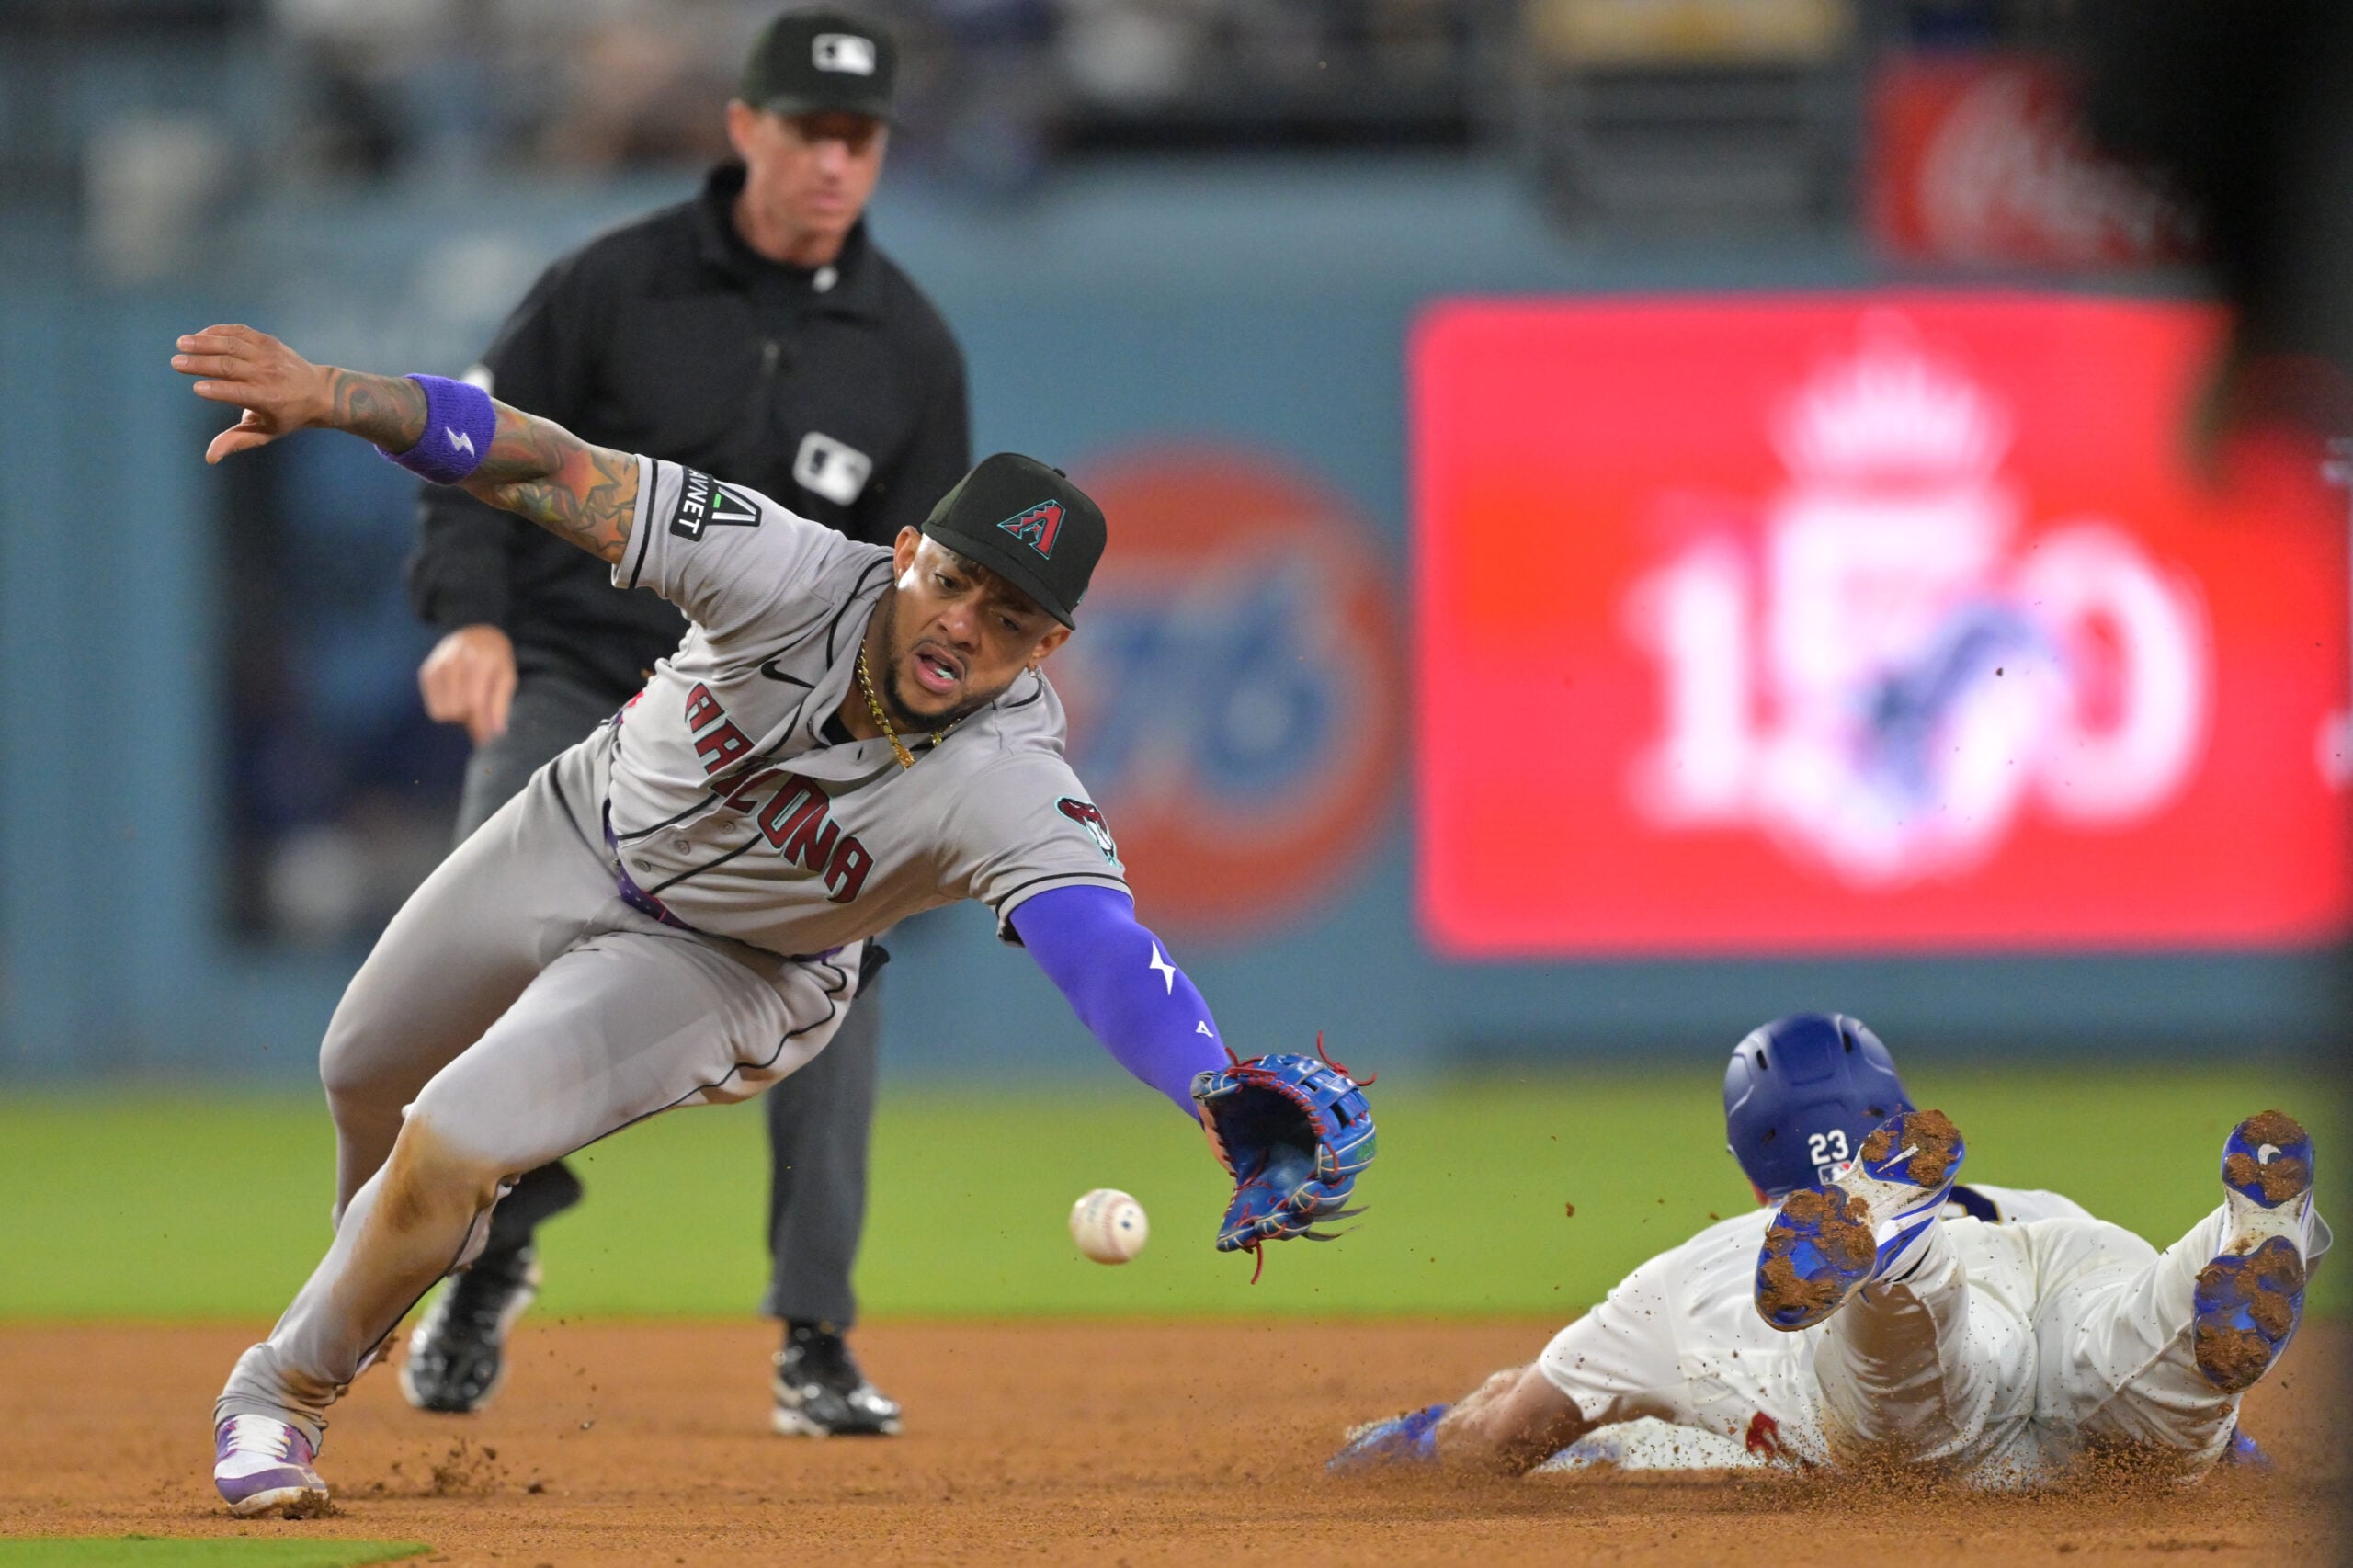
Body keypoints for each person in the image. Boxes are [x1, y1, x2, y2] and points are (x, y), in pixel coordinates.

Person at [175, 325, 1376, 1517]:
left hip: (728, 969)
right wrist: (337, 393)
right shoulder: (786, 565)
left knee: (451, 1137)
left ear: (1052, 644)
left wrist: (1211, 1081)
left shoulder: (1015, 778)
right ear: (906, 551)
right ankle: (380, 1271)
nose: (964, 622)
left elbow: (1101, 950)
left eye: (1010, 616)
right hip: (579, 826)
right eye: (953, 579)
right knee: (358, 1071)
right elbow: (550, 463)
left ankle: (281, 1386)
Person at [402, 6, 970, 1437]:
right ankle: (491, 1250)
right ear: (745, 130)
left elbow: (933, 591)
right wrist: (469, 616)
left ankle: (816, 1336)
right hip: (584, 676)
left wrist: (901, 772)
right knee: (469, 961)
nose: (835, 160)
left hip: (783, 727)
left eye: (861, 137)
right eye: (809, 130)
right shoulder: (612, 286)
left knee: (846, 976)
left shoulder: (906, 346)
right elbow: (468, 449)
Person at [1330, 1013, 2318, 1488]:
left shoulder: (1685, 1275)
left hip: (1903, 1379)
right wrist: (2232, 1447)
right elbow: (2235, 1452)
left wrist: (1412, 1433)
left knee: (1907, 1387)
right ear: (1892, 1111)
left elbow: (1513, 1429)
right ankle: (2238, 1241)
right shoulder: (2040, 1200)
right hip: (2055, 1248)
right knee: (2141, 1352)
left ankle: (1895, 1260)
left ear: (1750, 1163)